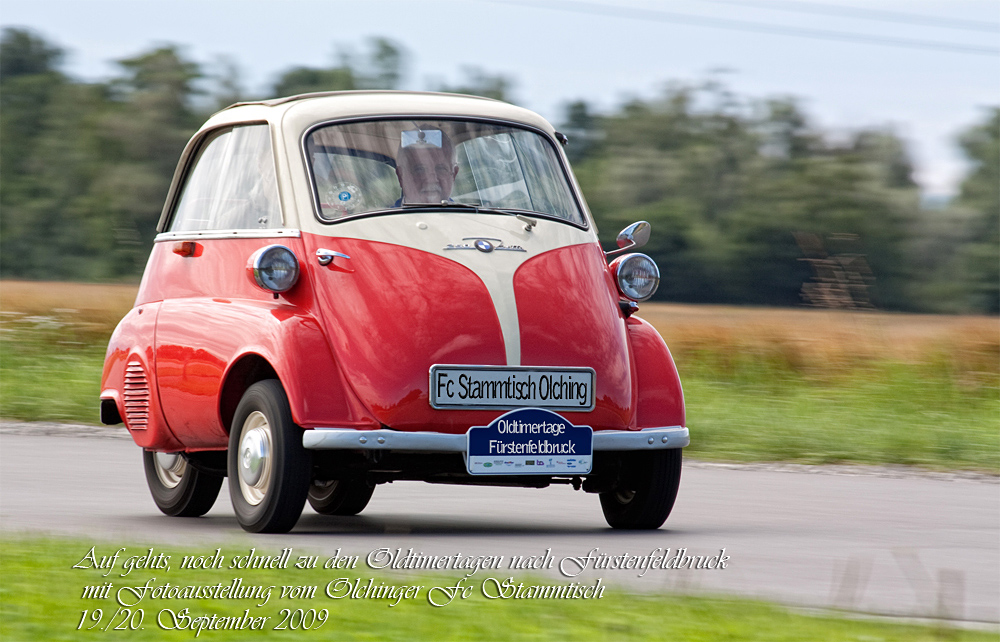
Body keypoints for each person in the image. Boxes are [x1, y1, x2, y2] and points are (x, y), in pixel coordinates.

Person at [394, 128, 458, 205]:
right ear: (401, 176)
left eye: (441, 169)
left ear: (454, 175)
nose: (431, 180)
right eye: (419, 170)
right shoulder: (385, 217)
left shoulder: (468, 216)